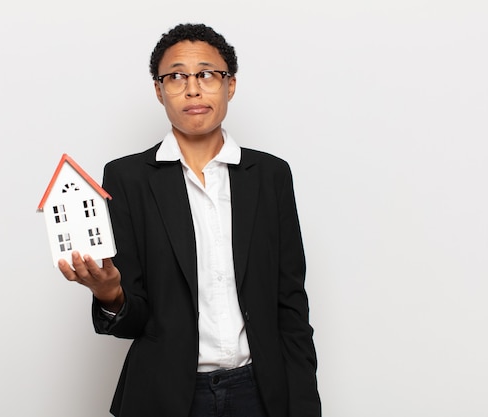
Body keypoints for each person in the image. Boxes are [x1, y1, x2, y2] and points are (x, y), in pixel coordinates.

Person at [58, 23, 321, 417]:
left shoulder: (270, 175)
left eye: (207, 74)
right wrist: (111, 294)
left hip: (260, 391)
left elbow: (291, 306)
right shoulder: (127, 178)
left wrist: (303, 405)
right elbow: (136, 319)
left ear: (229, 85)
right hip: (165, 396)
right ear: (158, 89)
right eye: (176, 76)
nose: (193, 89)